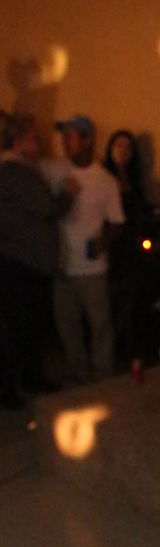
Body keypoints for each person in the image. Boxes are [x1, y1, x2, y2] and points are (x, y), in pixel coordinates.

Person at [0, 112, 77, 408]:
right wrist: (67, 194)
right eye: (33, 138)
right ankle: (9, 388)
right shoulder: (15, 172)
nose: (39, 143)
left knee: (31, 325)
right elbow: (47, 207)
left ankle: (30, 376)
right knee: (19, 327)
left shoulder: (22, 170)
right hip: (22, 263)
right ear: (19, 141)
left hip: (27, 261)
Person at [44, 114, 125, 384]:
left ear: (88, 140)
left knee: (100, 324)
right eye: (64, 136)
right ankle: (78, 372)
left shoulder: (105, 181)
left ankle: (103, 375)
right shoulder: (56, 171)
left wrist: (103, 242)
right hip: (62, 264)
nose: (65, 142)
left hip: (92, 268)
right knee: (67, 325)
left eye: (71, 136)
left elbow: (117, 222)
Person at [102, 129, 147, 364]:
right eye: (119, 145)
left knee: (127, 300)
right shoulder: (102, 176)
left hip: (129, 247)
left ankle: (123, 349)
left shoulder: (134, 180)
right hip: (111, 245)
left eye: (128, 147)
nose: (123, 151)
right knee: (108, 300)